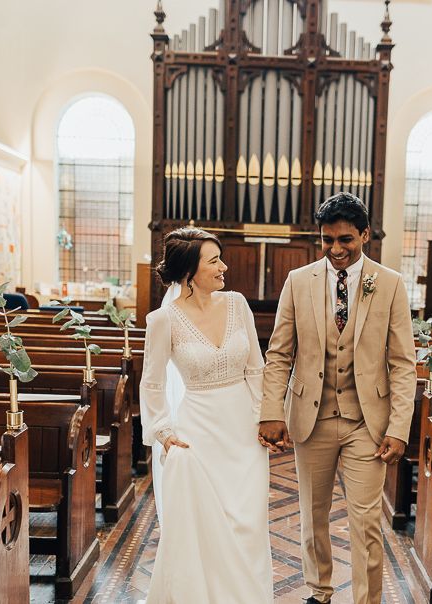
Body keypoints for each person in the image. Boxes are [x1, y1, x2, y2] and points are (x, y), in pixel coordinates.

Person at [258, 192, 417, 604]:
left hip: (369, 422)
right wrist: (270, 412)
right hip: (313, 419)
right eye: (327, 240)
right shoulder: (298, 281)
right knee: (312, 515)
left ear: (365, 235)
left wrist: (399, 429)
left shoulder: (390, 284)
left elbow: (402, 364)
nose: (336, 250)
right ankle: (319, 591)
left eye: (346, 239)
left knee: (365, 522)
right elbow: (278, 354)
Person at [140, 227, 273, 603]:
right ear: (189, 271)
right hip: (197, 432)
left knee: (247, 523)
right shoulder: (163, 320)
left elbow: (255, 369)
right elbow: (151, 384)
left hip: (243, 432)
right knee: (204, 526)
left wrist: (265, 418)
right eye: (214, 260)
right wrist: (164, 433)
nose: (223, 266)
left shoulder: (237, 305)